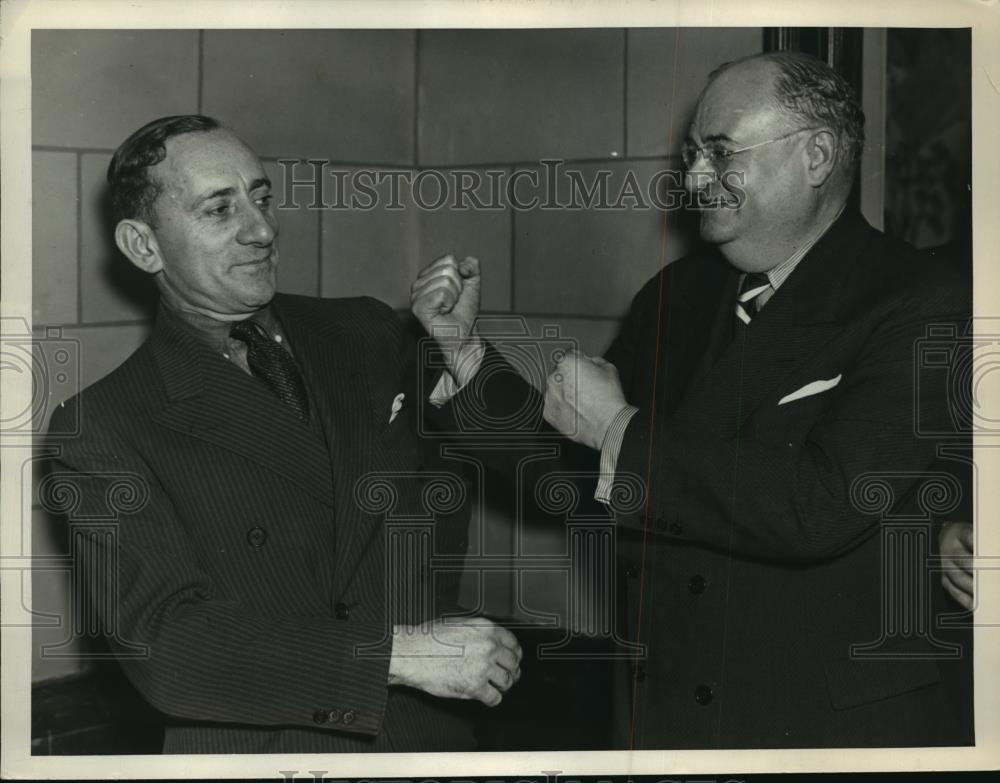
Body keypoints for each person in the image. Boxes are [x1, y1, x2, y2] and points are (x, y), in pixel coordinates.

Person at [411, 51, 974, 748]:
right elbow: (575, 473)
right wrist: (464, 353)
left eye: (721, 152)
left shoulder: (921, 303)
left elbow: (823, 503)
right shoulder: (675, 297)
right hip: (666, 715)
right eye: (691, 155)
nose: (694, 178)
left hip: (826, 727)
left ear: (818, 155)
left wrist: (617, 425)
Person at [46, 115, 522, 754]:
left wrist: (462, 352)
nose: (263, 230)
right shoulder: (105, 424)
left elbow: (538, 468)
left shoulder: (366, 330)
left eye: (262, 197)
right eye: (220, 209)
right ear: (143, 246)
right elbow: (168, 648)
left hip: (426, 738)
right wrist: (399, 654)